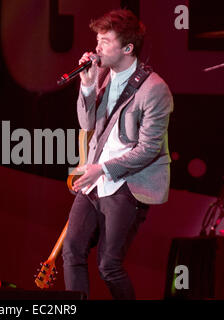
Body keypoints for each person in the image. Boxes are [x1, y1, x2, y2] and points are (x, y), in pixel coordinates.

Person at [62, 9, 173, 300]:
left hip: (127, 182)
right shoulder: (100, 75)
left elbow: (148, 150)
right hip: (94, 178)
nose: (97, 48)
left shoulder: (154, 90)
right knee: (71, 251)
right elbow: (87, 125)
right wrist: (86, 85)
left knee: (108, 266)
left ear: (127, 48)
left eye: (105, 41)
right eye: (97, 39)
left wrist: (104, 169)